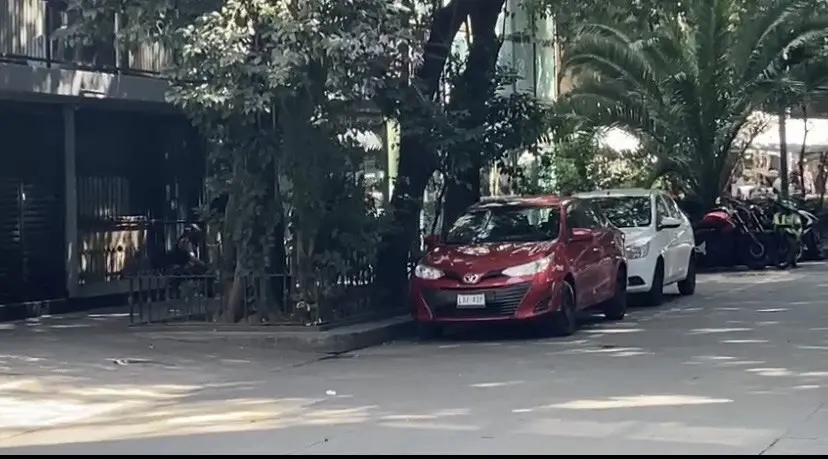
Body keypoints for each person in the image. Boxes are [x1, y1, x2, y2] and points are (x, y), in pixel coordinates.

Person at [772, 200, 803, 268]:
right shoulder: (777, 215)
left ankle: (792, 261)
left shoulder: (794, 216)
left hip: (791, 233)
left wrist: (797, 235)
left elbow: (798, 226)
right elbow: (775, 225)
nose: (783, 210)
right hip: (778, 233)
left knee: (794, 245)